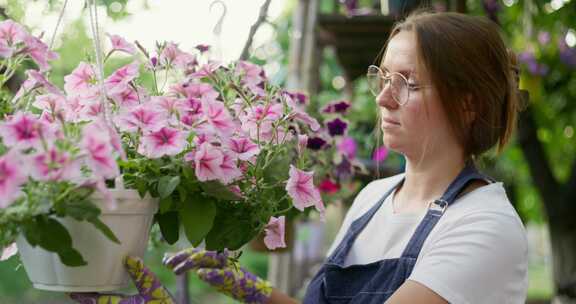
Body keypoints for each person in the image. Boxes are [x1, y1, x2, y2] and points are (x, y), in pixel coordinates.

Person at [70, 9, 528, 304]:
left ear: (467, 104)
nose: (385, 99)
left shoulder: (482, 224)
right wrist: (256, 291)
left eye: (407, 82)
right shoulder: (373, 198)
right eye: (382, 77)